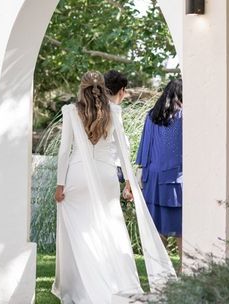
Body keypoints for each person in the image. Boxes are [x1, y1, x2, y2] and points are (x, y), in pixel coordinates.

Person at [53, 71, 175, 303]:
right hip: (106, 176)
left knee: (79, 233)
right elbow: (122, 151)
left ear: (82, 87)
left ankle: (81, 287)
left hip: (77, 177)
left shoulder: (70, 112)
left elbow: (63, 152)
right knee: (109, 227)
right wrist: (129, 181)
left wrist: (60, 184)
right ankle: (113, 281)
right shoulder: (114, 112)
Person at [135, 79, 183, 258]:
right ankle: (184, 268)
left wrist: (140, 172)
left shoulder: (151, 115)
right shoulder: (183, 116)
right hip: (175, 180)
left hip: (151, 179)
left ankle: (160, 270)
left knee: (156, 226)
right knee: (180, 227)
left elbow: (144, 148)